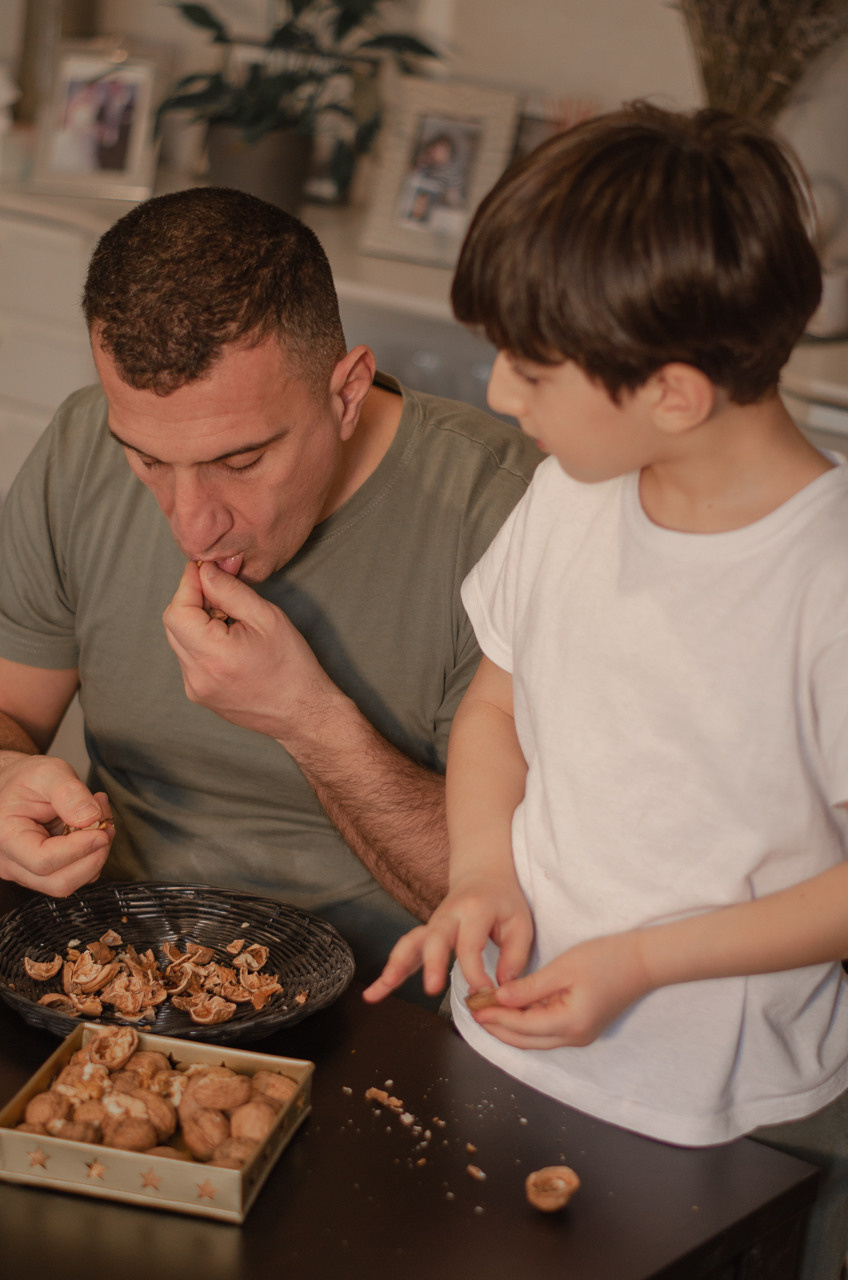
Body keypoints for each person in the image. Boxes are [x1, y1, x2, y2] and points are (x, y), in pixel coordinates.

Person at [364, 103, 848, 1276]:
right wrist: (480, 869)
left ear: (671, 392)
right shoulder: (568, 495)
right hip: (501, 1052)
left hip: (732, 1120)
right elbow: (496, 708)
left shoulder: (826, 578)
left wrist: (640, 960)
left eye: (530, 369)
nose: (497, 393)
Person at [0, 186, 542, 992]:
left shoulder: (510, 516)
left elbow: (509, 903)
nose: (192, 525)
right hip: (110, 967)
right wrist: (5, 779)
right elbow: (11, 712)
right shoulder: (83, 444)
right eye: (148, 461)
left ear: (347, 394)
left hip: (379, 1004)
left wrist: (307, 720)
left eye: (241, 461)